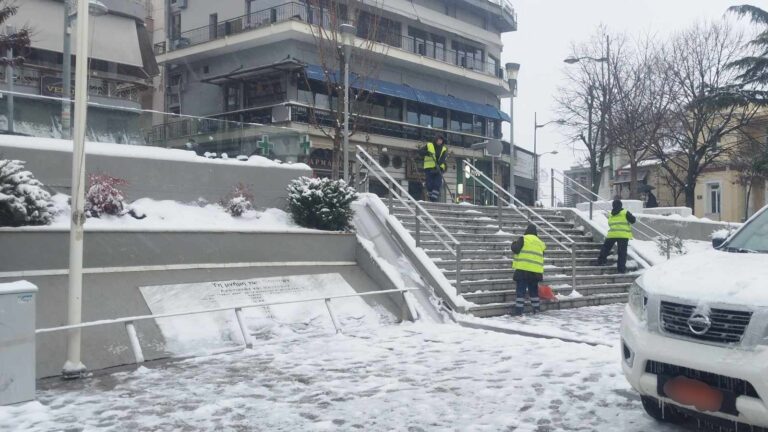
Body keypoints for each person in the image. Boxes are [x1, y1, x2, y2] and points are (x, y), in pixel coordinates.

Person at [511, 224, 546, 315]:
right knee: (534, 292)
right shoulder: (540, 243)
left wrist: (513, 243)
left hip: (523, 270)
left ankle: (519, 311)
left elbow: (515, 249)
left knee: (521, 291)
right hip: (535, 272)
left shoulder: (523, 238)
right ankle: (536, 309)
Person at [597, 199, 636, 273]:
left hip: (612, 234)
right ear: (621, 205)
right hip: (623, 235)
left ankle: (601, 261)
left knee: (605, 248)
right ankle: (621, 269)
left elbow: (609, 223)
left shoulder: (611, 214)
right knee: (622, 252)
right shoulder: (625, 212)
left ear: (613, 205)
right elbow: (633, 220)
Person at [419, 134, 448, 202]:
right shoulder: (429, 145)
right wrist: (427, 153)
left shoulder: (444, 149)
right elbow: (420, 152)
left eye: (441, 140)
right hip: (429, 168)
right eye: (439, 140)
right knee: (429, 183)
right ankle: (430, 196)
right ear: (436, 139)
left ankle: (434, 198)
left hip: (438, 169)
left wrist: (438, 165)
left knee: (437, 183)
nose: (440, 141)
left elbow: (443, 158)